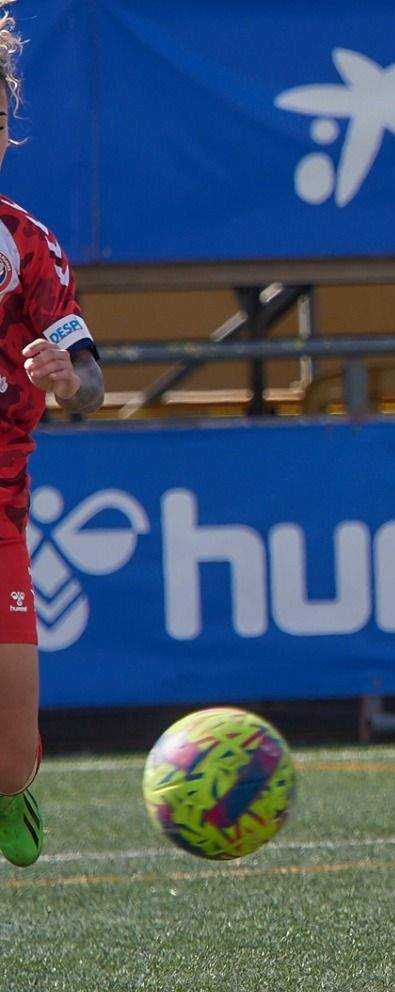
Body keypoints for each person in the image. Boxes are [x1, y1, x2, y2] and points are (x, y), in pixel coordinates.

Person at [0, 1, 106, 868]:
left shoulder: (28, 247)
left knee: (11, 754)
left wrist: (69, 381)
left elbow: (93, 385)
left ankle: (12, 784)